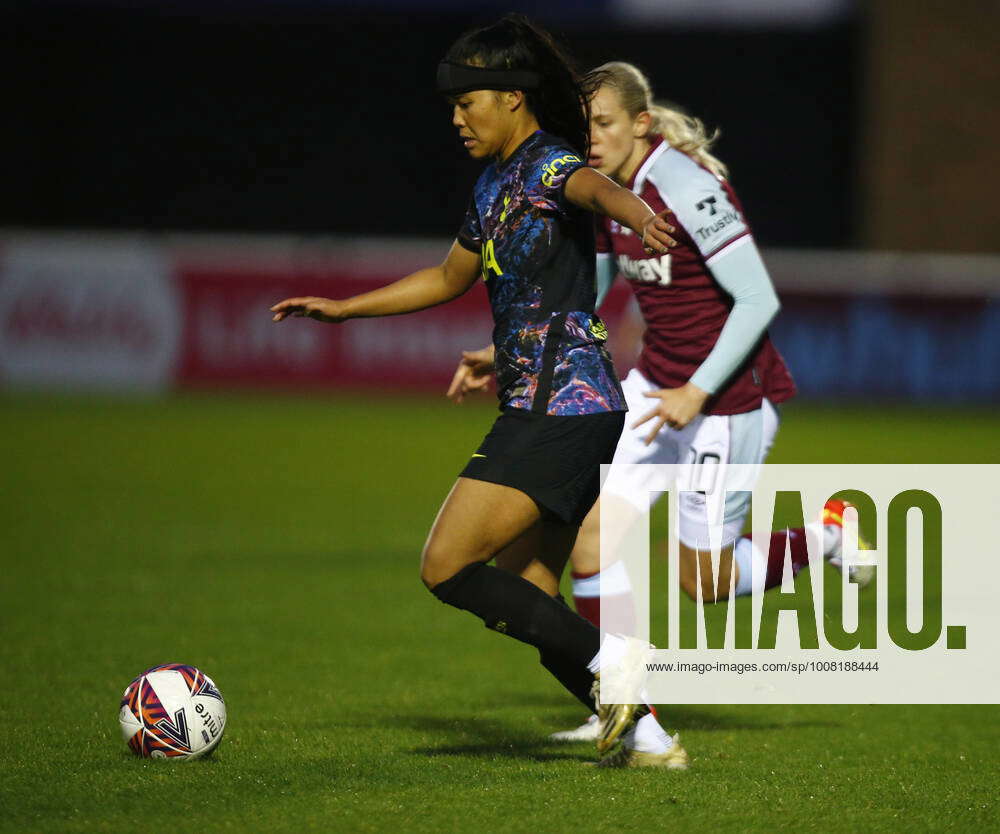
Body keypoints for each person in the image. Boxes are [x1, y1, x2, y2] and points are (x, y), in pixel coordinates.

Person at [271, 20, 687, 769]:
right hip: (555, 405)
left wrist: (637, 213)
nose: (457, 118)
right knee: (525, 589)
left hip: (563, 408)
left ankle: (621, 679)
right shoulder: (493, 183)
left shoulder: (548, 164)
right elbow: (446, 278)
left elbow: (591, 186)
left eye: (469, 102)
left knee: (445, 566)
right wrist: (343, 309)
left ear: (514, 98)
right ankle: (648, 737)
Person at [449, 61, 873, 750]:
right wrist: (504, 352)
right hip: (657, 389)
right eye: (583, 127)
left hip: (727, 400)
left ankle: (824, 535)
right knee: (590, 538)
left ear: (640, 124)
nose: (590, 139)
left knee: (701, 582)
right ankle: (619, 705)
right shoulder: (612, 192)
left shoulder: (684, 184)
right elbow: (589, 290)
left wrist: (697, 392)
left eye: (605, 124)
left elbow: (759, 300)